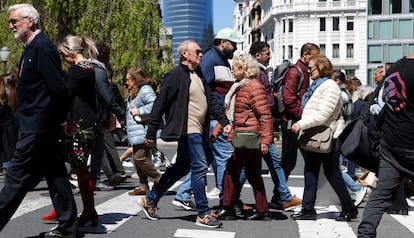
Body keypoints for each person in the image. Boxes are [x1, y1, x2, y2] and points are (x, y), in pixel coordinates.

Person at [0, 4, 78, 238]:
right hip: (37, 124)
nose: (10, 26)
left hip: (37, 125)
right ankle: (68, 227)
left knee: (15, 179)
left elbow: (57, 86)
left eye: (14, 21)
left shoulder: (42, 47)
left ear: (30, 21)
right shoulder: (32, 47)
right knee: (55, 175)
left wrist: (65, 119)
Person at [138, 40, 232, 228]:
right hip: (188, 130)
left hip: (199, 130)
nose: (201, 54)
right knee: (199, 166)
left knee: (181, 167)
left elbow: (211, 100)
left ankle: (151, 200)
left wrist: (224, 121)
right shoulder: (174, 75)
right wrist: (151, 132)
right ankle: (203, 214)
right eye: (197, 52)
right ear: (184, 55)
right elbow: (159, 104)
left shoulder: (198, 74)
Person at [290, 54, 358, 221]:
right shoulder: (318, 86)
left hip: (327, 136)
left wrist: (301, 124)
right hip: (316, 134)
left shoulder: (329, 87)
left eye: (312, 68)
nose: (308, 70)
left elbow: (323, 114)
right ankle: (308, 209)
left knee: (332, 173)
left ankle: (349, 207)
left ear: (321, 68)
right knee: (310, 171)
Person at [357, 52, 414, 237]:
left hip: (391, 142)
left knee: (381, 193)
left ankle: (365, 233)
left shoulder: (395, 67)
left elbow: (385, 100)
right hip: (410, 143)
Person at [215, 54, 273, 220]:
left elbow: (265, 115)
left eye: (236, 67)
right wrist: (218, 129)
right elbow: (231, 113)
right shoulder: (240, 86)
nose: (232, 70)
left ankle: (228, 207)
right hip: (246, 136)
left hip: (249, 137)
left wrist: (266, 141)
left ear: (245, 69)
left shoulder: (253, 87)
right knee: (253, 174)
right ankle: (262, 210)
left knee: (231, 170)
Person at [247, 41, 301, 210]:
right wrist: (272, 104)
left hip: (259, 123)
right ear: (258, 56)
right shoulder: (258, 73)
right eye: (267, 53)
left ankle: (229, 199)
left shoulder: (258, 72)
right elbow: (262, 99)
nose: (269, 56)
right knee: (271, 162)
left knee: (251, 164)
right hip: (261, 124)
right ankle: (284, 196)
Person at [58, 35, 102, 227]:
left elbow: (66, 97)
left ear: (70, 53)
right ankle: (89, 210)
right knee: (81, 169)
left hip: (78, 125)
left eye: (62, 55)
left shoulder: (76, 71)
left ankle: (89, 210)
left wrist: (63, 120)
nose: (62, 59)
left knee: (79, 169)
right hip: (91, 123)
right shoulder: (92, 69)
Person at [200, 27, 242, 199]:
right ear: (222, 42)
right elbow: (203, 89)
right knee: (224, 157)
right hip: (214, 119)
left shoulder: (221, 60)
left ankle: (223, 195)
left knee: (212, 159)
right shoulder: (211, 59)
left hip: (216, 118)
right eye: (233, 44)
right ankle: (227, 198)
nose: (236, 48)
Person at [280, 43, 320, 183]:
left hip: (299, 122)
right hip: (292, 123)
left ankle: (281, 194)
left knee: (309, 160)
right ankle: (279, 195)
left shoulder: (306, 71)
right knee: (288, 161)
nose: (317, 59)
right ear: (305, 55)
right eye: (315, 56)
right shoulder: (295, 71)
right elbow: (289, 99)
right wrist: (303, 115)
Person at [125, 67, 161, 195]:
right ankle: (143, 186)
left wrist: (139, 111)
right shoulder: (135, 91)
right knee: (136, 159)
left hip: (143, 131)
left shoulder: (145, 90)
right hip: (136, 131)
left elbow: (154, 105)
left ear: (135, 79)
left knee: (139, 158)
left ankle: (159, 179)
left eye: (128, 79)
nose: (126, 82)